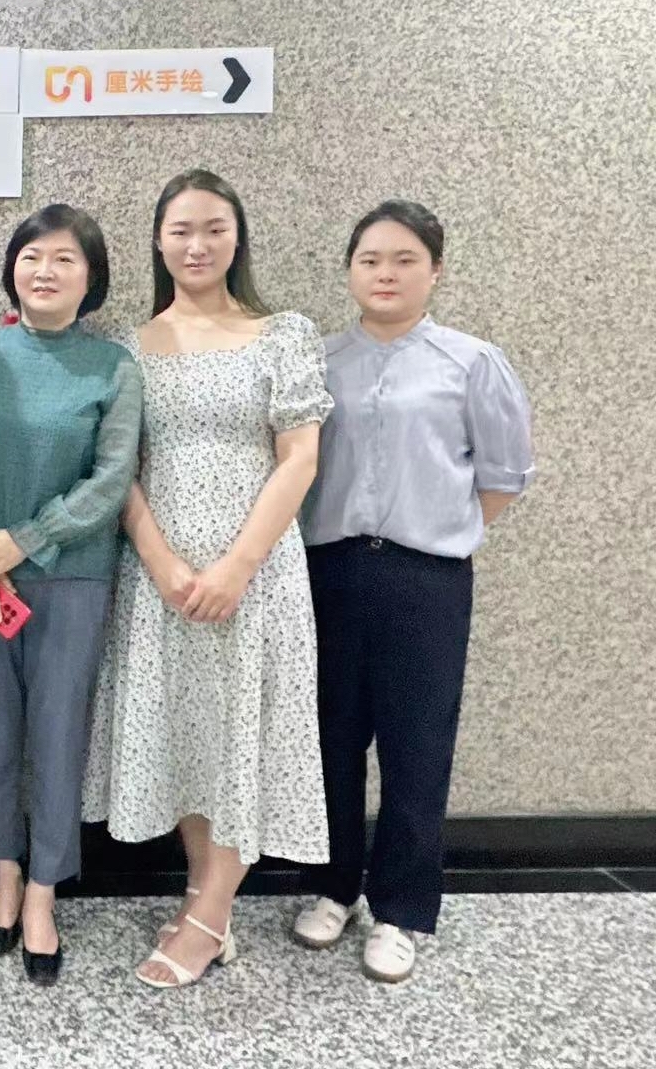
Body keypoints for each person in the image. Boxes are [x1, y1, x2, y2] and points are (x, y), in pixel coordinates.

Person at [81, 169, 334, 989]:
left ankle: (208, 916)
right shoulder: (129, 346)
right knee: (187, 733)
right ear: (157, 241)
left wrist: (234, 567)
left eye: (213, 228)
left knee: (239, 732)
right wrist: (161, 561)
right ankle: (204, 896)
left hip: (253, 572)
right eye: (180, 229)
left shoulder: (281, 334)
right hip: (159, 574)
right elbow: (120, 470)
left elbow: (298, 458)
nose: (196, 245)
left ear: (237, 238)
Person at [292, 200, 534, 983]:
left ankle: (398, 908)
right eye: (369, 259)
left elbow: (502, 476)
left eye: (404, 259)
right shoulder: (318, 360)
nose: (385, 273)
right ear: (349, 270)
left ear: (434, 269)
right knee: (328, 738)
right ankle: (333, 886)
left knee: (415, 745)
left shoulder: (470, 361)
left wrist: (437, 531)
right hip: (328, 570)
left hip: (423, 578)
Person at [0, 204, 141, 985]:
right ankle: (2, 874)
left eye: (64, 258)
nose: (45, 270)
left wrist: (24, 538)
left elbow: (111, 481)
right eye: (31, 256)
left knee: (57, 739)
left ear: (91, 277)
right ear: (11, 270)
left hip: (71, 578)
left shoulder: (113, 366)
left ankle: (41, 892)